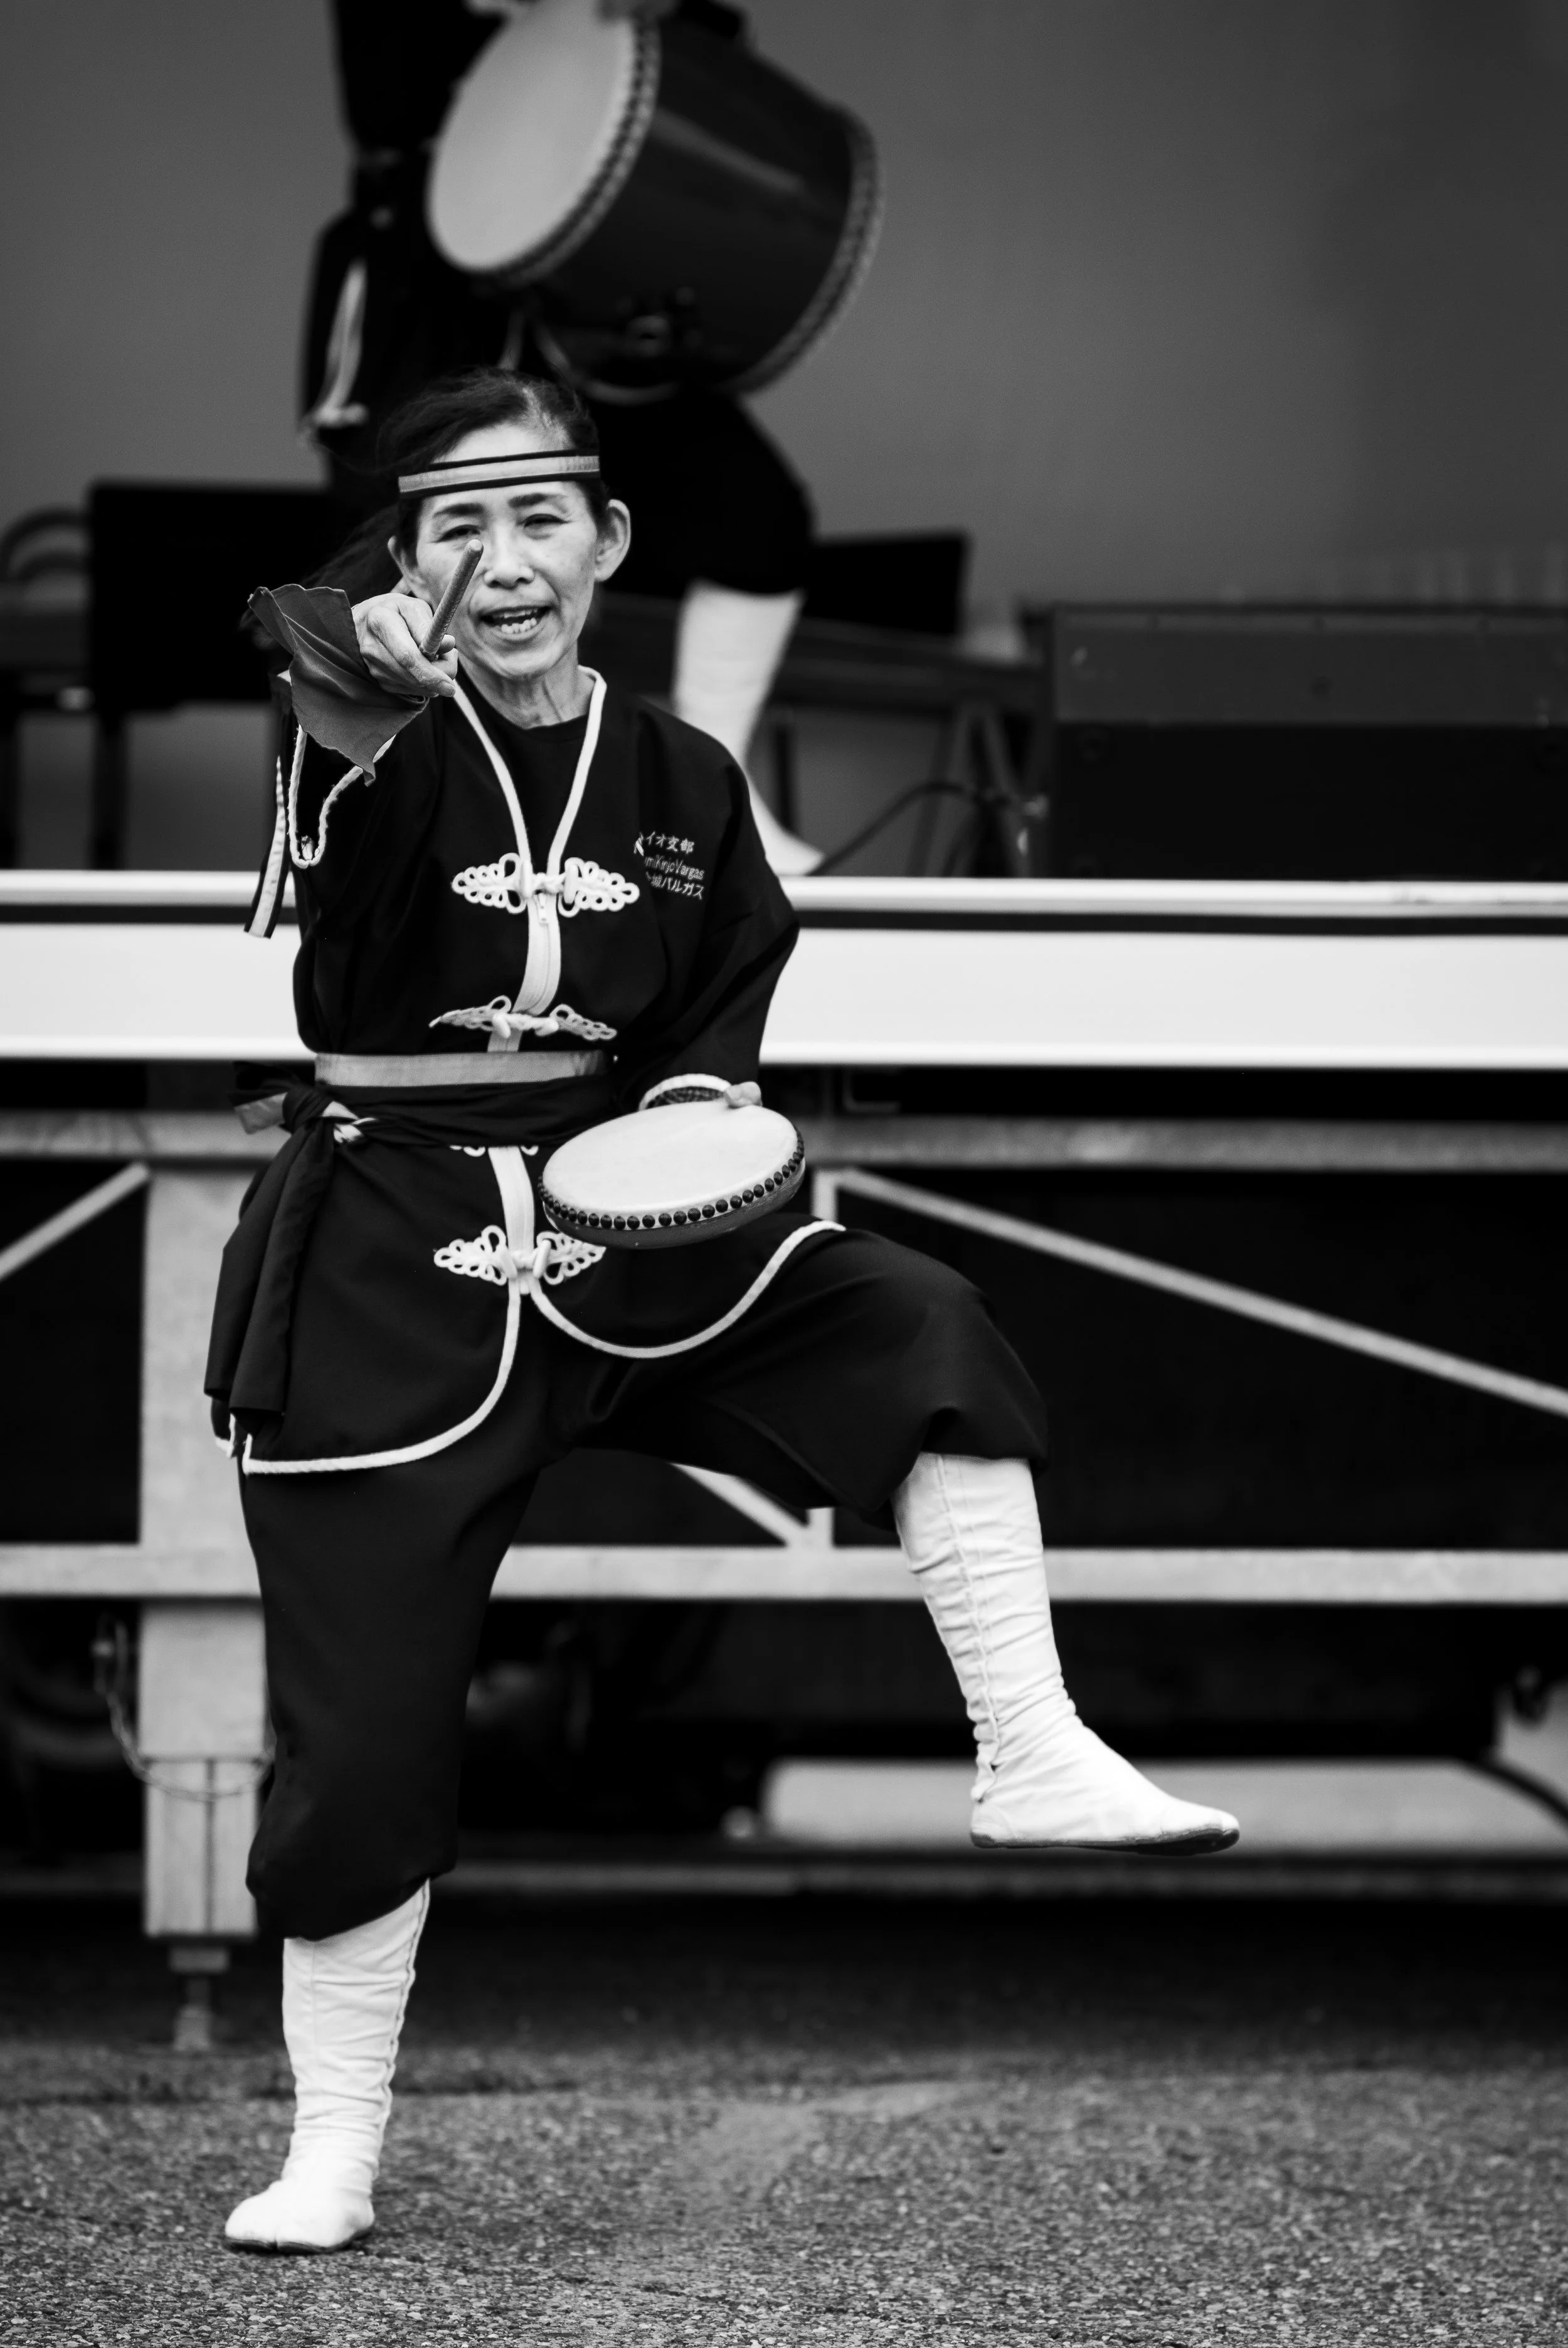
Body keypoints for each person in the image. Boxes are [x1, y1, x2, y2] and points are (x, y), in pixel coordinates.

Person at [211, 366, 1239, 2256]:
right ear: (405, 558)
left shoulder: (686, 772)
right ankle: (332, 2142)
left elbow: (719, 1006)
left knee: (906, 1312)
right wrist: (357, 678)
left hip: (631, 1226)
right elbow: (327, 762)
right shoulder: (361, 715)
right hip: (386, 1245)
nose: (503, 564)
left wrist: (687, 1124)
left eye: (540, 520)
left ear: (607, 541)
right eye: (458, 525)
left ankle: (1029, 1743)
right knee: (359, 1731)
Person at [308, 0, 820, 870]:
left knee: (756, 516)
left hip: (592, 291)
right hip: (434, 287)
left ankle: (700, 786)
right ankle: (379, 834)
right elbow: (394, 92)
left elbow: (706, 65)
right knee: (394, 549)